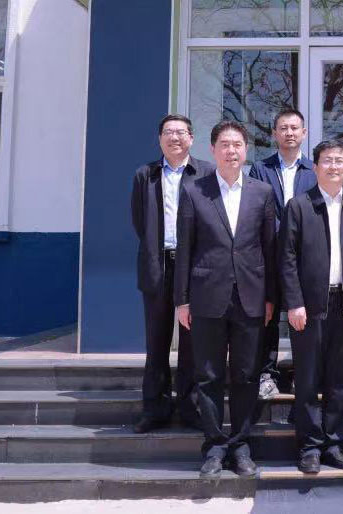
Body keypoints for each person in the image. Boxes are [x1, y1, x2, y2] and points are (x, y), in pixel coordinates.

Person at [174, 120, 278, 478]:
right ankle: (215, 446)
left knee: (246, 374)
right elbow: (184, 249)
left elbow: (269, 249)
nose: (231, 151)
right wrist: (182, 300)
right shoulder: (194, 191)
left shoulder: (262, 193)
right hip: (206, 297)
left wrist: (270, 298)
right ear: (213, 149)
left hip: (251, 297)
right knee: (208, 375)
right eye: (224, 145)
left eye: (237, 145)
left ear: (246, 150)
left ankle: (241, 444)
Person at [281, 140, 343, 473]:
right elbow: (287, 259)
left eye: (339, 161)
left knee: (340, 379)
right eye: (327, 161)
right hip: (309, 305)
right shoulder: (299, 206)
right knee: (307, 378)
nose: (334, 166)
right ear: (315, 167)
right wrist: (294, 302)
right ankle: (309, 446)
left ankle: (334, 443)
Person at [130, 114, 211, 434]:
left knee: (193, 341)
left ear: (191, 138)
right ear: (159, 138)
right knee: (157, 339)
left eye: (180, 132)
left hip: (194, 265)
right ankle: (155, 409)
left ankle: (191, 407)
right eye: (168, 132)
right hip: (158, 263)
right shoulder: (145, 174)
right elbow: (140, 221)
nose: (174, 137)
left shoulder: (205, 172)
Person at [249, 108, 316, 399]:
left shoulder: (314, 170)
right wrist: (284, 231)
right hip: (269, 254)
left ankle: (305, 373)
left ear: (304, 133)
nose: (289, 133)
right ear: (274, 133)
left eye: (294, 128)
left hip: (305, 256)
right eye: (283, 128)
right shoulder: (260, 169)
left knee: (304, 316)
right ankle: (267, 374)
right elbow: (256, 209)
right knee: (269, 316)